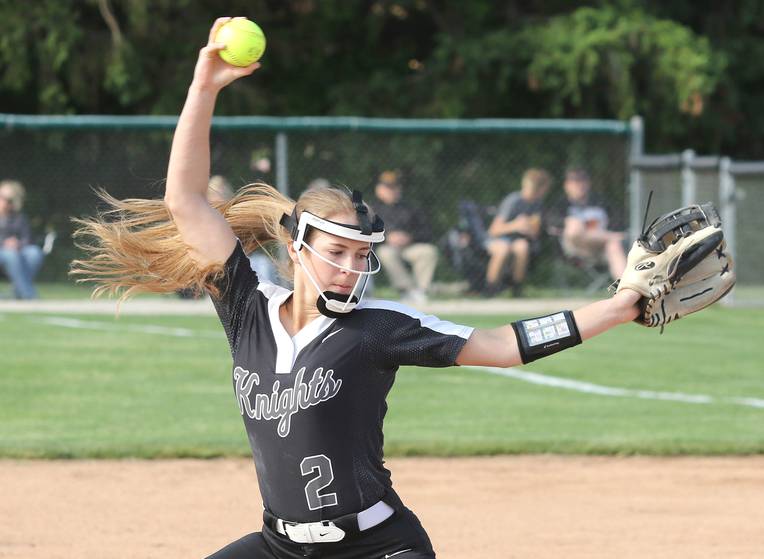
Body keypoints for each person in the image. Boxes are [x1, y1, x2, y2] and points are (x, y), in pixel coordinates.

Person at [70, 18, 644, 559]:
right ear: (297, 249)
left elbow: (503, 346)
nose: (350, 267)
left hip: (378, 545)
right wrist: (204, 87)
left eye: (362, 255)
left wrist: (618, 308)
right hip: (281, 545)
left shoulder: (378, 327)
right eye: (336, 252)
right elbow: (186, 202)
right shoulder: (249, 309)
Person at [370, 170, 438, 304]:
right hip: (385, 246)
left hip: (410, 247)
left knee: (428, 251)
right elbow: (367, 233)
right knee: (386, 253)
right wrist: (387, 237)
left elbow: (427, 232)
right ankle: (407, 290)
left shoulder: (410, 207)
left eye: (395, 187)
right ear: (379, 189)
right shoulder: (371, 209)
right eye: (388, 187)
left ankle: (421, 291)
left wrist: (410, 237)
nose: (393, 191)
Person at [484, 168, 551, 297]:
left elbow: (535, 233)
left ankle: (516, 289)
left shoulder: (537, 204)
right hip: (498, 239)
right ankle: (490, 289)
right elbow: (493, 230)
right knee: (503, 249)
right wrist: (515, 225)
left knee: (522, 247)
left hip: (517, 240)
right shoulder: (513, 201)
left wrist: (530, 229)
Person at [551, 167, 627, 279]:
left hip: (601, 248)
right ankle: (610, 237)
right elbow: (550, 221)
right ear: (566, 185)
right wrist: (568, 221)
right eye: (575, 182)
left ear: (588, 183)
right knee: (573, 224)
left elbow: (617, 222)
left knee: (614, 245)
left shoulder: (601, 202)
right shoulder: (561, 205)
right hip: (576, 248)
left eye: (583, 181)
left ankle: (624, 288)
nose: (580, 185)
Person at [0, 179, 45, 299]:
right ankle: (28, 294)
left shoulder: (19, 218)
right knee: (11, 255)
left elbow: (28, 238)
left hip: (17, 250)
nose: (4, 202)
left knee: (34, 253)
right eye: (2, 197)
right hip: (4, 251)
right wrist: (4, 243)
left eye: (8, 200)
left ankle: (17, 291)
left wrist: (18, 243)